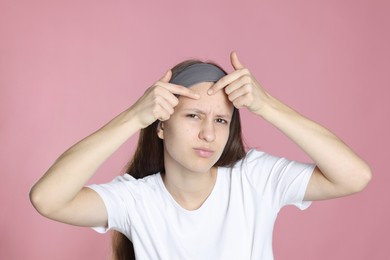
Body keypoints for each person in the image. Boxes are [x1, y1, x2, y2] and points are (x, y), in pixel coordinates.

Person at [30, 51, 372, 260]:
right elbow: (48, 199)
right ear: (161, 125)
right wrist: (134, 117)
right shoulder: (137, 200)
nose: (208, 133)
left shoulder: (254, 178)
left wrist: (266, 106)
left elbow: (355, 176)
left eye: (220, 120)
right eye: (193, 116)